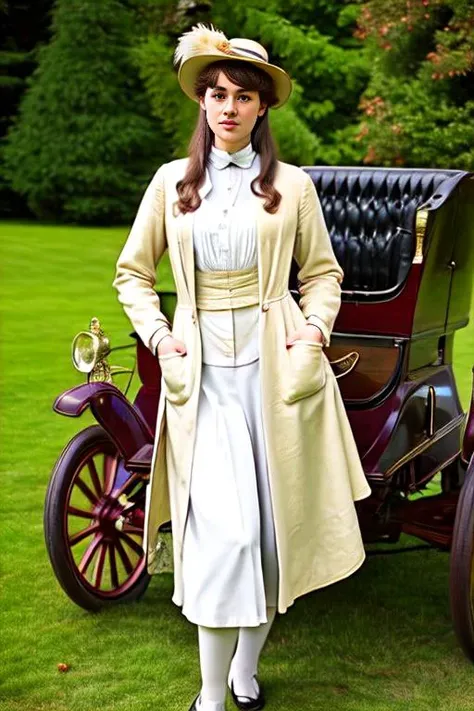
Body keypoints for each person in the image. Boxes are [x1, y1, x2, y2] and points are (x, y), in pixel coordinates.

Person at [112, 23, 371, 711]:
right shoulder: (171, 185)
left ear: (263, 107)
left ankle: (246, 673)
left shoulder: (293, 186)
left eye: (243, 96)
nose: (227, 106)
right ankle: (208, 695)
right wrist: (162, 336)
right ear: (203, 102)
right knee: (224, 534)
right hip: (202, 383)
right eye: (217, 93)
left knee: (267, 534)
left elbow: (322, 274)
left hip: (275, 376)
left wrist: (313, 330)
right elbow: (133, 274)